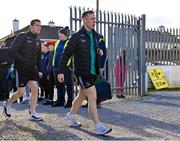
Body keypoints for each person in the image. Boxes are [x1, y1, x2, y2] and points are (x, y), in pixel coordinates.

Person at [58, 10, 112, 135]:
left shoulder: (95, 35)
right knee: (92, 96)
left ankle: (70, 115)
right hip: (82, 72)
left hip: (93, 72)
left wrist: (99, 52)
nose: (94, 21)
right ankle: (98, 126)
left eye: (95, 19)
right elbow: (65, 55)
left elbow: (93, 51)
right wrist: (60, 71)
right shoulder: (76, 37)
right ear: (84, 20)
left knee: (82, 96)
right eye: (92, 19)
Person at [3, 19, 43, 121]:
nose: (39, 27)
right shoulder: (22, 36)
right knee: (20, 92)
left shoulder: (38, 40)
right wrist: (23, 61)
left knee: (35, 87)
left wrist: (40, 70)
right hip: (21, 68)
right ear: (31, 26)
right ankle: (7, 104)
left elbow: (38, 57)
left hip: (33, 69)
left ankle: (32, 113)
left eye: (40, 26)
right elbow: (13, 50)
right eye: (37, 25)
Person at [52, 27, 73, 107]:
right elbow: (55, 54)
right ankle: (60, 101)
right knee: (58, 85)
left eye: (61, 34)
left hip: (65, 67)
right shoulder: (57, 42)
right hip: (56, 67)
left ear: (65, 35)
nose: (59, 35)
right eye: (59, 34)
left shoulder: (69, 42)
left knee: (68, 85)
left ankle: (69, 102)